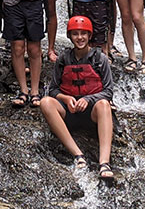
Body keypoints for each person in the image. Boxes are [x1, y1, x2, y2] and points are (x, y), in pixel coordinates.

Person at [39, 16, 117, 183]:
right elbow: (52, 89)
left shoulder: (100, 59)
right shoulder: (63, 59)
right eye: (75, 34)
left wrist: (89, 99)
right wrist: (66, 98)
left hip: (92, 113)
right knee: (45, 102)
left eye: (83, 34)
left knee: (104, 104)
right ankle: (78, 155)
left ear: (89, 36)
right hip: (70, 111)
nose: (79, 37)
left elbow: (108, 91)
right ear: (70, 36)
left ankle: (104, 163)